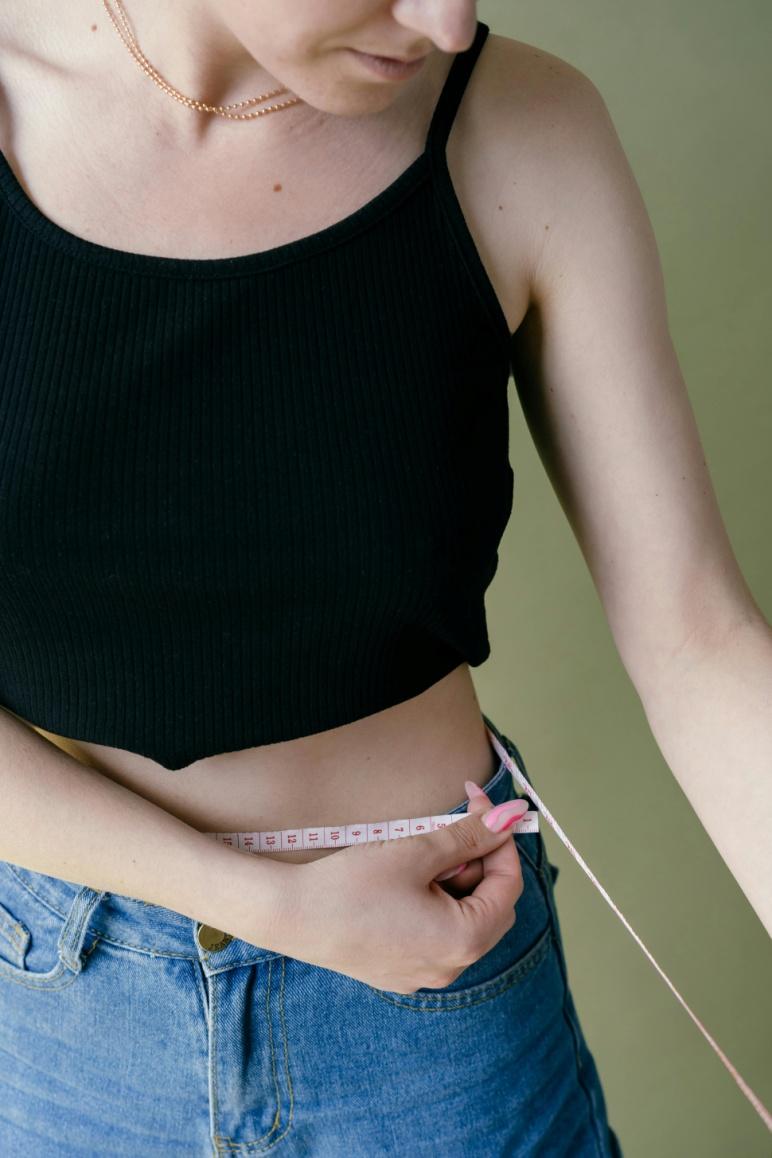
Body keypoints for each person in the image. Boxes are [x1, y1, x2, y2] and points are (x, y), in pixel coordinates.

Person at [1, 2, 767, 1155]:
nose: (447, 21)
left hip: (438, 1013)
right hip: (55, 1027)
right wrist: (271, 908)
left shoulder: (519, 132)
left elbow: (698, 641)